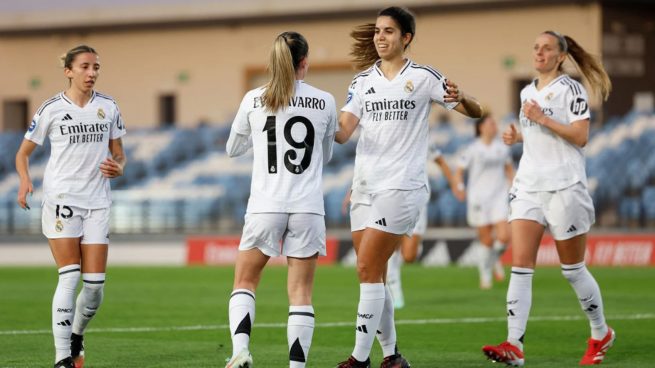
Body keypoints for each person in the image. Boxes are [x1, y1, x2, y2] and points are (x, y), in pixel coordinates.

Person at [335, 7, 483, 368]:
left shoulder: (424, 77)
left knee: (367, 268)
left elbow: (477, 112)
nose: (380, 37)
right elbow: (342, 133)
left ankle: (358, 359)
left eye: (389, 31)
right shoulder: (361, 82)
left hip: (401, 185)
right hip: (365, 187)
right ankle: (392, 357)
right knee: (375, 274)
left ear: (406, 38)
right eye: (377, 31)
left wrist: (462, 96)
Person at [482, 31, 614, 366]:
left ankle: (601, 332)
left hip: (564, 186)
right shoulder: (528, 91)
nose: (539, 53)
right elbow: (539, 137)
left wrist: (542, 119)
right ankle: (514, 345)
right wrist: (519, 135)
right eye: (536, 47)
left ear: (560, 57)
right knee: (520, 265)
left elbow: (580, 136)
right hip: (528, 185)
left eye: (547, 49)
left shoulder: (572, 89)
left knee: (572, 270)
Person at [224, 31, 337, 368]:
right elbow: (326, 155)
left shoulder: (253, 98)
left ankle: (241, 351)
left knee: (245, 281)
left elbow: (232, 149)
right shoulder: (325, 100)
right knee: (300, 294)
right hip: (307, 206)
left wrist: (258, 142)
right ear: (305, 63)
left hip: (265, 205)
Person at [15, 45, 127, 368]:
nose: (92, 73)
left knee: (94, 288)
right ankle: (62, 357)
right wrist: (24, 181)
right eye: (85, 67)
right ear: (68, 71)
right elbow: (22, 153)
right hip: (62, 200)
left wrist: (119, 166)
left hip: (97, 204)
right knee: (69, 276)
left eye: (96, 67)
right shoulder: (51, 109)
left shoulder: (108, 107)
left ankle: (77, 333)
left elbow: (119, 154)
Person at [386, 147, 464, 309]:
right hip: (394, 197)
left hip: (418, 201)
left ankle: (412, 248)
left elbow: (441, 161)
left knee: (409, 256)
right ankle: (395, 287)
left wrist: (454, 185)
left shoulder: (421, 134)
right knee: (392, 246)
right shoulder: (391, 134)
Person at [454, 115, 514, 289]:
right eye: (490, 123)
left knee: (504, 236)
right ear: (480, 127)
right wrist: (459, 187)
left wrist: (515, 185)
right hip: (478, 198)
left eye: (494, 123)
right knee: (486, 240)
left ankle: (493, 259)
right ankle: (485, 273)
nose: (494, 126)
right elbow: (459, 171)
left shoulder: (502, 148)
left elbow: (509, 170)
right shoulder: (472, 149)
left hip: (499, 197)